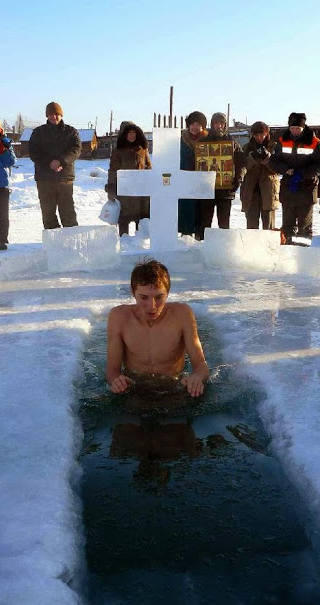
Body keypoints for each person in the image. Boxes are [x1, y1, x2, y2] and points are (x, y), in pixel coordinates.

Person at [106, 260, 209, 397]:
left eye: (159, 297)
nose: (152, 306)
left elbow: (201, 366)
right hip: (133, 388)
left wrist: (196, 378)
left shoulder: (182, 314)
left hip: (174, 387)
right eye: (144, 297)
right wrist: (116, 381)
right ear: (133, 292)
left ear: (168, 292)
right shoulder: (119, 317)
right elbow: (112, 370)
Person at [269, 112, 320, 243]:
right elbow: (273, 162)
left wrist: (303, 174)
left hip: (306, 189)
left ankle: (303, 255)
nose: (295, 131)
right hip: (288, 189)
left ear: (303, 127)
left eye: (298, 128)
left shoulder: (314, 142)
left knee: (304, 228)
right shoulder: (282, 141)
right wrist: (285, 170)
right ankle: (288, 252)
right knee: (287, 227)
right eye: (292, 128)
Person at [29, 102, 81, 229]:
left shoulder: (71, 131)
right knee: (48, 214)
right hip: (44, 179)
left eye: (57, 114)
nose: (54, 117)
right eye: (51, 114)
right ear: (47, 116)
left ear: (61, 115)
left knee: (68, 212)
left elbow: (76, 149)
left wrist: (61, 161)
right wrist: (49, 162)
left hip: (65, 178)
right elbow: (33, 152)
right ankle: (54, 244)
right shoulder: (38, 132)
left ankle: (71, 242)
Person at [199, 112, 244, 239]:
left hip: (225, 190)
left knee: (224, 224)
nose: (219, 126)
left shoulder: (231, 142)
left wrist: (238, 179)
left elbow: (241, 163)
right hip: (207, 190)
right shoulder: (203, 142)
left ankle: (224, 249)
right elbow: (197, 164)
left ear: (225, 126)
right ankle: (203, 247)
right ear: (212, 124)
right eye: (216, 123)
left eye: (221, 124)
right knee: (205, 223)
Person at [105, 121, 152, 237]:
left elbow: (148, 166)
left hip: (141, 192)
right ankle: (124, 245)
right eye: (128, 133)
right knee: (124, 220)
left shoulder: (142, 149)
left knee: (141, 221)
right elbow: (113, 170)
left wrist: (151, 181)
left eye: (133, 133)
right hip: (125, 192)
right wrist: (111, 187)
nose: (131, 135)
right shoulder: (117, 151)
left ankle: (140, 247)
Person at [240, 121, 279, 230]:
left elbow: (278, 169)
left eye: (262, 135)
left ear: (266, 134)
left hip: (268, 191)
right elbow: (242, 167)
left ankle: (269, 247)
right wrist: (251, 158)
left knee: (269, 226)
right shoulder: (247, 148)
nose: (259, 138)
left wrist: (267, 160)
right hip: (251, 190)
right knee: (252, 225)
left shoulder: (274, 147)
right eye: (256, 135)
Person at [179, 111, 208, 238]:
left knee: (201, 212)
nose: (195, 127)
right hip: (185, 180)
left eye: (198, 124)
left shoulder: (208, 140)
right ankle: (185, 236)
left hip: (202, 182)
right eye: (192, 124)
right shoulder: (181, 140)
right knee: (186, 210)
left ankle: (199, 237)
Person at [0, 122, 16, 250]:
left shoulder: (5, 143)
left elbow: (11, 161)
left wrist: (2, 149)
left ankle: (1, 240)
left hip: (2, 184)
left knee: (3, 215)